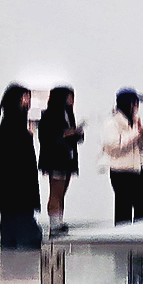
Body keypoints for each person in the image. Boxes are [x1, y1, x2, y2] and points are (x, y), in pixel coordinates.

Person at [0, 84, 41, 250]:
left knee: (12, 212)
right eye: (25, 97)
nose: (28, 101)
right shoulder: (13, 121)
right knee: (19, 211)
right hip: (17, 178)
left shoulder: (14, 120)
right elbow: (6, 151)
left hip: (14, 177)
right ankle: (23, 240)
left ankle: (12, 241)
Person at [37, 86, 84, 233]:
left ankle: (59, 220)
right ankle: (54, 223)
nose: (72, 100)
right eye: (69, 97)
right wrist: (64, 134)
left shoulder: (68, 114)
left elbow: (72, 138)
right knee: (56, 192)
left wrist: (77, 134)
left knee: (62, 192)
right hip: (55, 159)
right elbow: (46, 138)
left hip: (68, 159)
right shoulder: (49, 115)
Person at [102, 89, 143, 225]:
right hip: (120, 171)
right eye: (134, 104)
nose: (137, 107)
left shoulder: (134, 121)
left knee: (141, 209)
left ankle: (142, 235)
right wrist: (135, 134)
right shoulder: (112, 123)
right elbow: (113, 147)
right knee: (123, 209)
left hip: (138, 170)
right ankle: (123, 237)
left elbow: (142, 146)